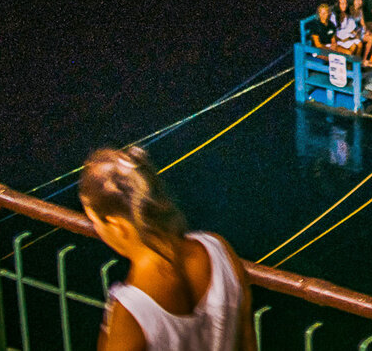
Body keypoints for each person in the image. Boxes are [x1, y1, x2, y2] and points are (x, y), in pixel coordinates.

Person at [79, 147, 255, 351]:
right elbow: (248, 342)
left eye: (94, 222)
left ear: (118, 226)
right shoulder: (218, 249)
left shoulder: (132, 310)